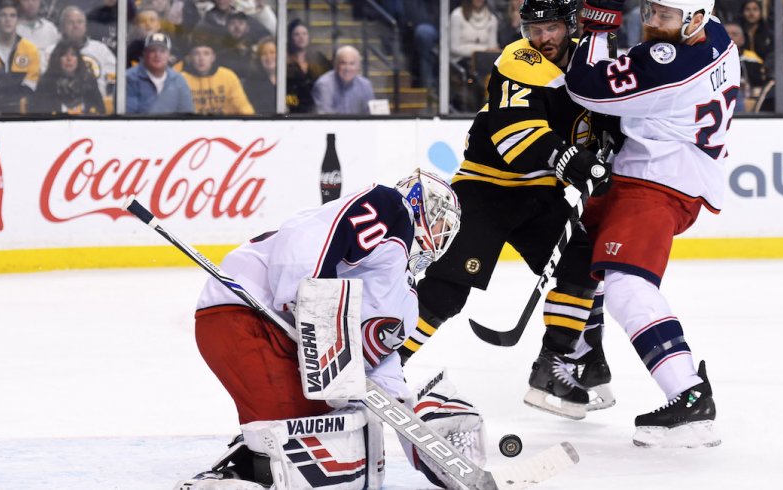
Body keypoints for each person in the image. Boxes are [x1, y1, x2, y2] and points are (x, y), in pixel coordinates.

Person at [397, 0, 616, 421]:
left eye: (551, 28)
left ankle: (554, 364)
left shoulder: (592, 61)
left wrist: (609, 144)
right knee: (447, 290)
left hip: (539, 194)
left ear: (570, 26)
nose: (543, 38)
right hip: (485, 188)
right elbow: (515, 137)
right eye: (535, 28)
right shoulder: (518, 59)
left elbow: (609, 116)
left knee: (582, 264)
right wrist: (575, 159)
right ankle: (386, 364)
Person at [188, 169, 465, 488]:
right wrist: (311, 304)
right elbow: (305, 234)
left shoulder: (403, 292)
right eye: (444, 223)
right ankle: (231, 477)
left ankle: (252, 463)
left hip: (280, 338)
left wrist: (421, 442)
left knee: (335, 437)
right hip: (245, 314)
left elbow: (381, 366)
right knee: (300, 439)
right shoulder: (391, 208)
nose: (445, 236)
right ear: (424, 206)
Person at [564, 0, 737, 447]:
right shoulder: (717, 34)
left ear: (694, 18)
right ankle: (585, 358)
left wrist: (597, 32)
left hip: (658, 182)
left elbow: (584, 86)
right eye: (650, 11)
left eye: (665, 17)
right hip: (655, 171)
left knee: (625, 284)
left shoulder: (668, 61)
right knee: (576, 250)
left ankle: (689, 394)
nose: (652, 23)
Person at [42, 6, 116, 102]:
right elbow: (44, 84)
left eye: (80, 22)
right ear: (62, 27)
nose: (75, 26)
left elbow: (114, 81)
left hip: (96, 107)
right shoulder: (50, 52)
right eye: (70, 22)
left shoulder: (101, 50)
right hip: (60, 107)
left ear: (85, 26)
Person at [179, 37, 254, 115]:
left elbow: (243, 106)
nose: (201, 59)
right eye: (197, 54)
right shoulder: (181, 80)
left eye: (206, 53)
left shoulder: (228, 76)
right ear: (191, 57)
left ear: (213, 57)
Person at [126, 31, 194, 114]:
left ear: (169, 55)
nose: (157, 55)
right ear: (144, 53)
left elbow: (187, 114)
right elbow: (129, 117)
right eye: (153, 50)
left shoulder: (178, 80)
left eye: (162, 51)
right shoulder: (129, 78)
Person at [31, 40, 105, 115]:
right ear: (57, 59)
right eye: (64, 55)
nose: (69, 59)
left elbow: (100, 111)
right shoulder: (46, 83)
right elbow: (40, 115)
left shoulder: (88, 80)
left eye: (73, 55)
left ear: (78, 59)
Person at [0, 0, 41, 91]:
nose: (8, 20)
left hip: (20, 103)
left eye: (12, 16)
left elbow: (30, 86)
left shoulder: (30, 50)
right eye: (3, 15)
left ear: (18, 20)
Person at [312, 45, 375, 115]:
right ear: (335, 65)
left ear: (358, 66)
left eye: (352, 63)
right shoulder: (324, 85)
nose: (347, 68)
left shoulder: (365, 85)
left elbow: (371, 114)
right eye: (343, 63)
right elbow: (326, 118)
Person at [285, 19, 330, 113]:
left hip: (316, 109)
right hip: (292, 110)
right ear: (290, 37)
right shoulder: (284, 61)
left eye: (304, 34)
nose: (301, 37)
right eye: (296, 34)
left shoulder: (319, 58)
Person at [242, 37, 276, 114]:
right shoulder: (251, 84)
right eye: (264, 54)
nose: (268, 57)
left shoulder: (290, 79)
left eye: (272, 52)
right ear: (259, 58)